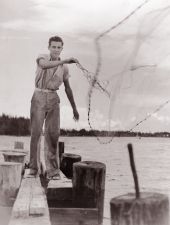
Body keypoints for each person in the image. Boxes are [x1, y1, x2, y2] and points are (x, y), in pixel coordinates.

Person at [29, 35, 79, 179]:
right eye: (53, 47)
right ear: (49, 47)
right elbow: (44, 65)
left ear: (62, 48)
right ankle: (33, 168)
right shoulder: (42, 57)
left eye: (59, 47)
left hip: (53, 98)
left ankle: (53, 171)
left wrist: (74, 108)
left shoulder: (64, 68)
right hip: (38, 96)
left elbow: (67, 88)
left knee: (53, 135)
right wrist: (64, 60)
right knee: (36, 133)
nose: (56, 50)